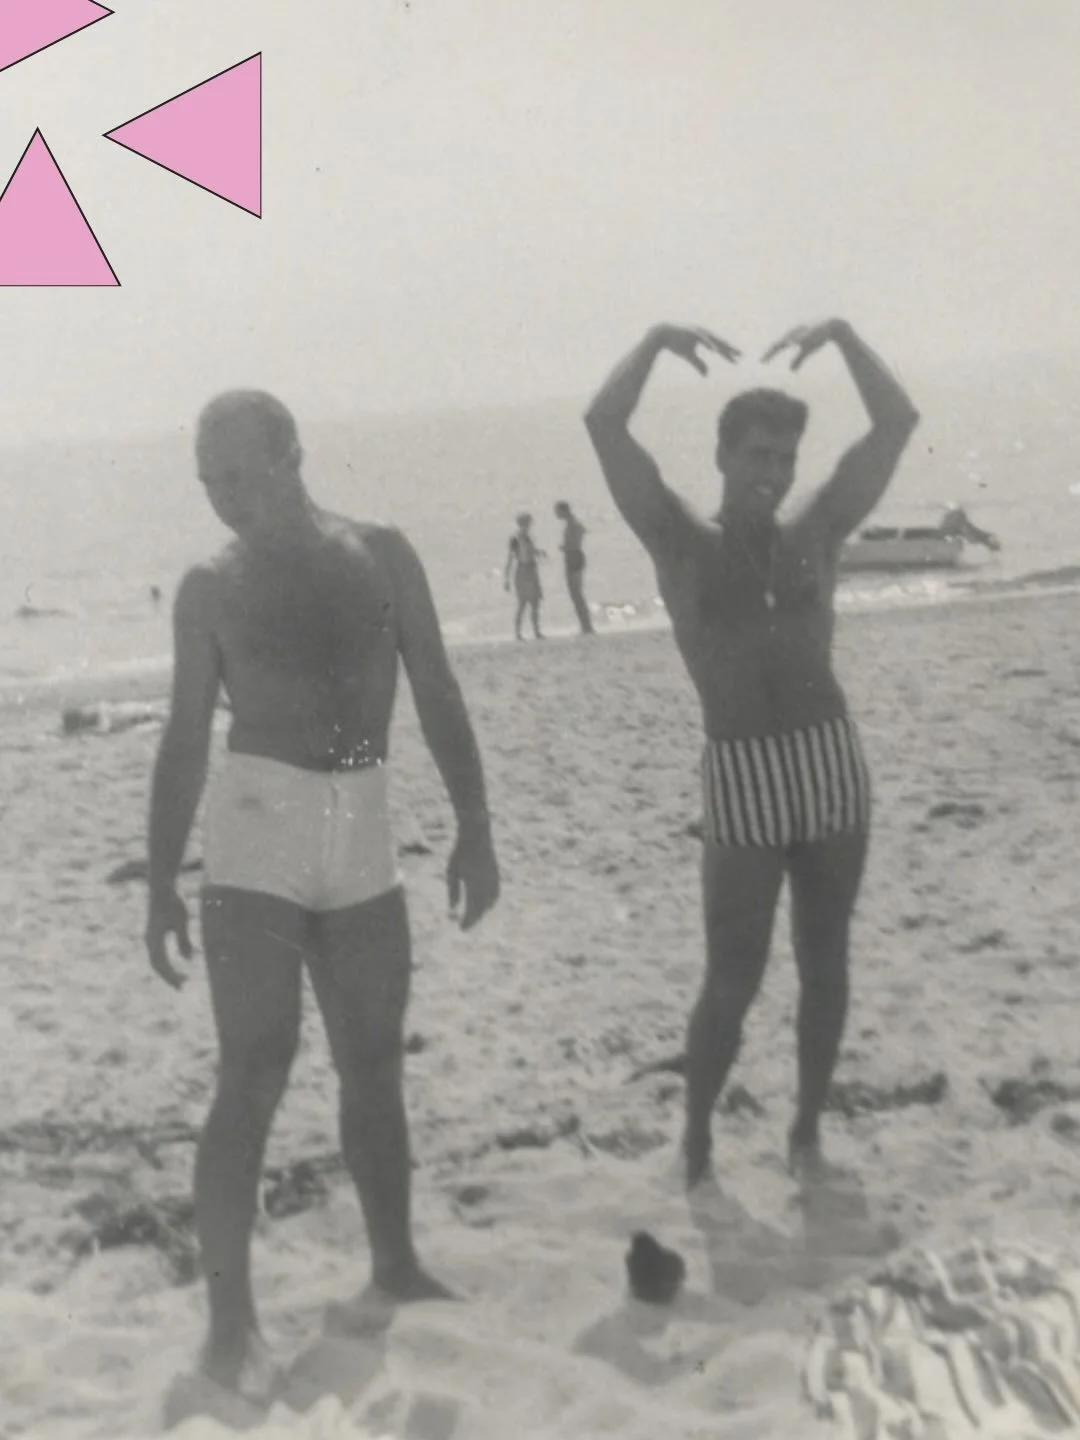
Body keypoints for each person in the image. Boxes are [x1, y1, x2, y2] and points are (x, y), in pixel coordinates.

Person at [145, 390, 500, 1408]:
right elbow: (183, 740)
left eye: (239, 474)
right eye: (208, 481)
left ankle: (395, 1264)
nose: (223, 497)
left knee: (374, 1061)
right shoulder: (209, 588)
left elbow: (437, 688)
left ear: (292, 454)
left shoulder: (380, 554)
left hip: (364, 820)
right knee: (254, 1067)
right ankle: (230, 1327)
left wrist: (475, 824)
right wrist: (161, 878)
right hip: (259, 823)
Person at [583, 320, 919, 1189]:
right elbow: (604, 426)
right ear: (723, 456)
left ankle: (805, 1129)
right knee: (732, 975)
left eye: (785, 459)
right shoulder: (679, 541)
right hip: (741, 775)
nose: (773, 472)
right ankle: (696, 1137)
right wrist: (652, 343)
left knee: (825, 961)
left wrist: (845, 337)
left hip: (829, 761)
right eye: (758, 455)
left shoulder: (817, 532)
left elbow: (895, 424)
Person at [554, 501, 595, 635]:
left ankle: (586, 625)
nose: (556, 514)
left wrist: (563, 547)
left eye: (557, 512)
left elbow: (573, 543)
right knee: (576, 593)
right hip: (575, 556)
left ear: (563, 511)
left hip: (573, 557)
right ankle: (585, 624)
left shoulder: (572, 525)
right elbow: (582, 532)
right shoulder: (573, 523)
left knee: (576, 593)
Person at [504, 512, 545, 640]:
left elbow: (530, 551)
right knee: (522, 603)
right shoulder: (515, 539)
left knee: (535, 602)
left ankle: (536, 631)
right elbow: (510, 558)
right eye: (526, 523)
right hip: (522, 570)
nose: (528, 526)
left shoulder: (529, 537)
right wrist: (506, 579)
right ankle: (518, 632)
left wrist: (539, 552)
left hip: (532, 569)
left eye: (529, 523)